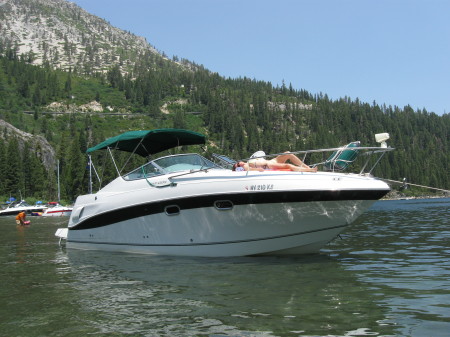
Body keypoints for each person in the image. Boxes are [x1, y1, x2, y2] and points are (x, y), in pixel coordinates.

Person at [233, 151, 318, 172]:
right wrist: (259, 169)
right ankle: (310, 170)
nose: (239, 162)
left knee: (288, 153)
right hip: (269, 166)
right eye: (238, 164)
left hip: (271, 161)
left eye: (238, 162)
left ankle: (306, 167)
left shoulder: (249, 161)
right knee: (288, 165)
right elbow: (253, 170)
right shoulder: (246, 167)